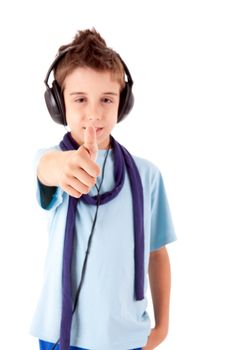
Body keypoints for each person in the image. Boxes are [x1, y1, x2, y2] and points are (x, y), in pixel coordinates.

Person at [29, 28, 177, 350]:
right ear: (57, 105)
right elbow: (48, 170)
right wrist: (63, 167)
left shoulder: (147, 175)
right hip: (59, 334)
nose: (94, 113)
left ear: (122, 105)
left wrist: (162, 327)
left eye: (106, 99)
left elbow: (157, 251)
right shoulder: (52, 160)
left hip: (125, 336)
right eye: (79, 99)